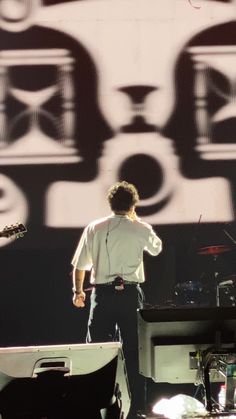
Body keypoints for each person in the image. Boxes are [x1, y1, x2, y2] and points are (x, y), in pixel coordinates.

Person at [71, 180, 162, 417]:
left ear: (110, 203)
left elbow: (80, 264)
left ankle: (93, 408)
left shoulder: (94, 227)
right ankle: (138, 410)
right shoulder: (140, 228)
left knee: (97, 351)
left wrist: (78, 291)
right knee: (134, 351)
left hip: (102, 296)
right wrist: (138, 221)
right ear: (133, 204)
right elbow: (157, 249)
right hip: (130, 295)